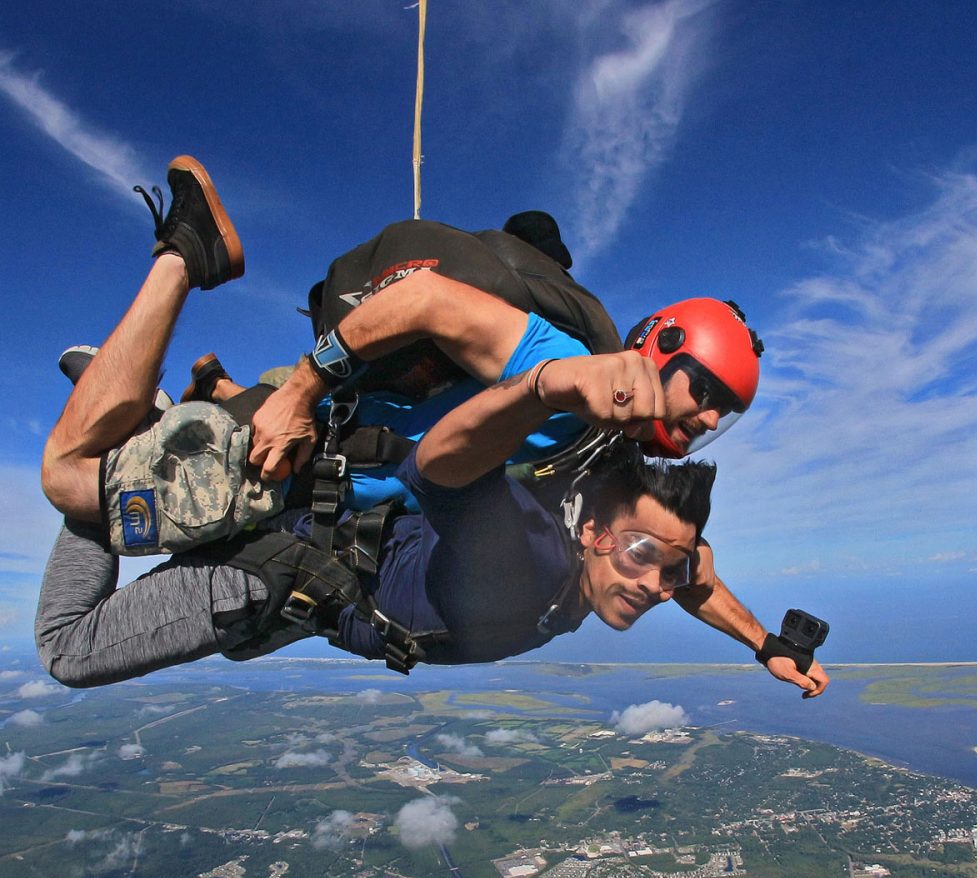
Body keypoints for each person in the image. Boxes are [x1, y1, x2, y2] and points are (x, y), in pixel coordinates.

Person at [35, 155, 827, 694]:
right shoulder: (563, 365)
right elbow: (421, 305)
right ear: (659, 351)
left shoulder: (617, 466)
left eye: (730, 412)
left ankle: (177, 408)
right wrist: (305, 387)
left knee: (141, 495)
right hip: (309, 465)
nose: (713, 415)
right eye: (707, 389)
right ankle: (187, 253)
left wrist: (765, 646)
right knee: (70, 480)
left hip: (332, 507)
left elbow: (690, 570)